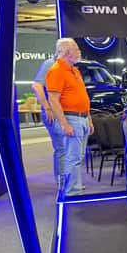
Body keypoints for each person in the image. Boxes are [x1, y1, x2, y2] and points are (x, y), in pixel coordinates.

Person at [45, 39, 93, 196]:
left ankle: (74, 186)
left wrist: (89, 118)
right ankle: (71, 191)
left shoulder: (74, 71)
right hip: (71, 119)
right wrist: (64, 124)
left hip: (82, 118)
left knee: (78, 156)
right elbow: (53, 100)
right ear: (66, 52)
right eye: (76, 49)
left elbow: (83, 97)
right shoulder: (56, 70)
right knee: (72, 157)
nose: (79, 52)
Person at [31, 57, 65, 180]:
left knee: (67, 149)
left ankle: (69, 182)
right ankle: (63, 184)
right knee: (62, 149)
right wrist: (47, 107)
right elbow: (36, 86)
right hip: (54, 114)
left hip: (64, 114)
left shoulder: (68, 67)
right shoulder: (50, 64)